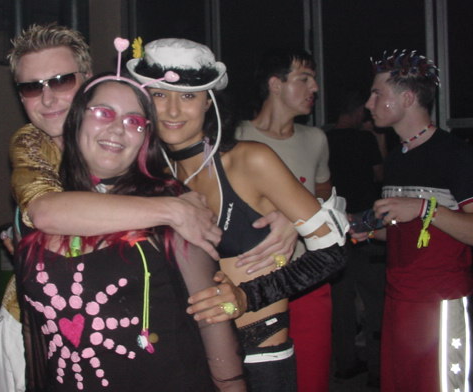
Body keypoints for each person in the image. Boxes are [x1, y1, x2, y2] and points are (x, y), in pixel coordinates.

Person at [0, 24, 247, 392]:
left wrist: (288, 223)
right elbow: (45, 212)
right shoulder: (30, 143)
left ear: (86, 80)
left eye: (61, 81)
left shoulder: (151, 164)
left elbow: (214, 176)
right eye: (32, 87)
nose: (47, 99)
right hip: (35, 322)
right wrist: (172, 210)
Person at [128, 38, 349, 391]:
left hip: (259, 357)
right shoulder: (153, 177)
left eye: (188, 96)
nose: (172, 110)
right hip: (185, 357)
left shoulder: (250, 160)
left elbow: (333, 252)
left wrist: (248, 296)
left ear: (208, 101)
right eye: (159, 94)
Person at [364, 50, 473, 392]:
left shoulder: (456, 154)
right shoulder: (396, 159)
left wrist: (426, 208)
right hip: (397, 300)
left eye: (377, 93)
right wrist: (365, 230)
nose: (369, 103)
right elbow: (408, 229)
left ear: (407, 98)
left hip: (441, 303)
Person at [235, 48, 334, 391]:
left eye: (313, 79)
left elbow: (324, 195)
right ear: (275, 84)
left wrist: (302, 218)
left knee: (311, 377)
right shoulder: (234, 137)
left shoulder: (316, 139)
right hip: (251, 281)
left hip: (307, 279)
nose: (315, 87)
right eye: (304, 79)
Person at [326, 90, 386, 387]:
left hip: (335, 224)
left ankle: (345, 362)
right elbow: (380, 175)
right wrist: (378, 138)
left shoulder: (323, 139)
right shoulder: (364, 140)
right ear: (357, 112)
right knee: (375, 300)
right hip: (366, 222)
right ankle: (377, 367)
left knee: (341, 300)